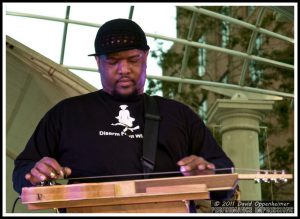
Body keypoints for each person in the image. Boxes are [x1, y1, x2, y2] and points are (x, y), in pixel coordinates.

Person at [13, 18, 235, 211]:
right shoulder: (66, 114)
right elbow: (22, 171)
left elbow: (227, 178)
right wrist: (35, 175)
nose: (124, 69)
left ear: (146, 57)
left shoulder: (179, 115)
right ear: (98, 62)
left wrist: (211, 173)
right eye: (112, 61)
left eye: (133, 59)